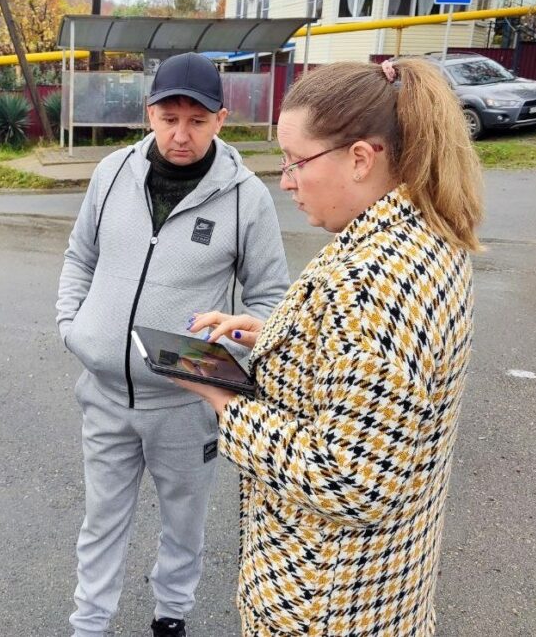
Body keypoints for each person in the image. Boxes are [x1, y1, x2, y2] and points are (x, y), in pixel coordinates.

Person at [176, 58, 483, 635]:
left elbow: (348, 480)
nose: (285, 180)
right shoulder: (419, 233)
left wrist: (223, 402)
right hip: (380, 588)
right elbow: (369, 378)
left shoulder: (372, 283)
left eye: (297, 162)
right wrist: (274, 337)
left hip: (326, 601)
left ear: (362, 158)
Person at [56, 52, 290, 637]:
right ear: (149, 113)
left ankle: (171, 616)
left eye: (197, 120)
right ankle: (89, 625)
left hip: (186, 403)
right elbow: (80, 255)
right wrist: (73, 326)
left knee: (184, 520)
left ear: (221, 119)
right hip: (105, 392)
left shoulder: (245, 197)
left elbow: (270, 301)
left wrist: (221, 359)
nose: (180, 135)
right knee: (102, 518)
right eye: (168, 118)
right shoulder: (112, 172)